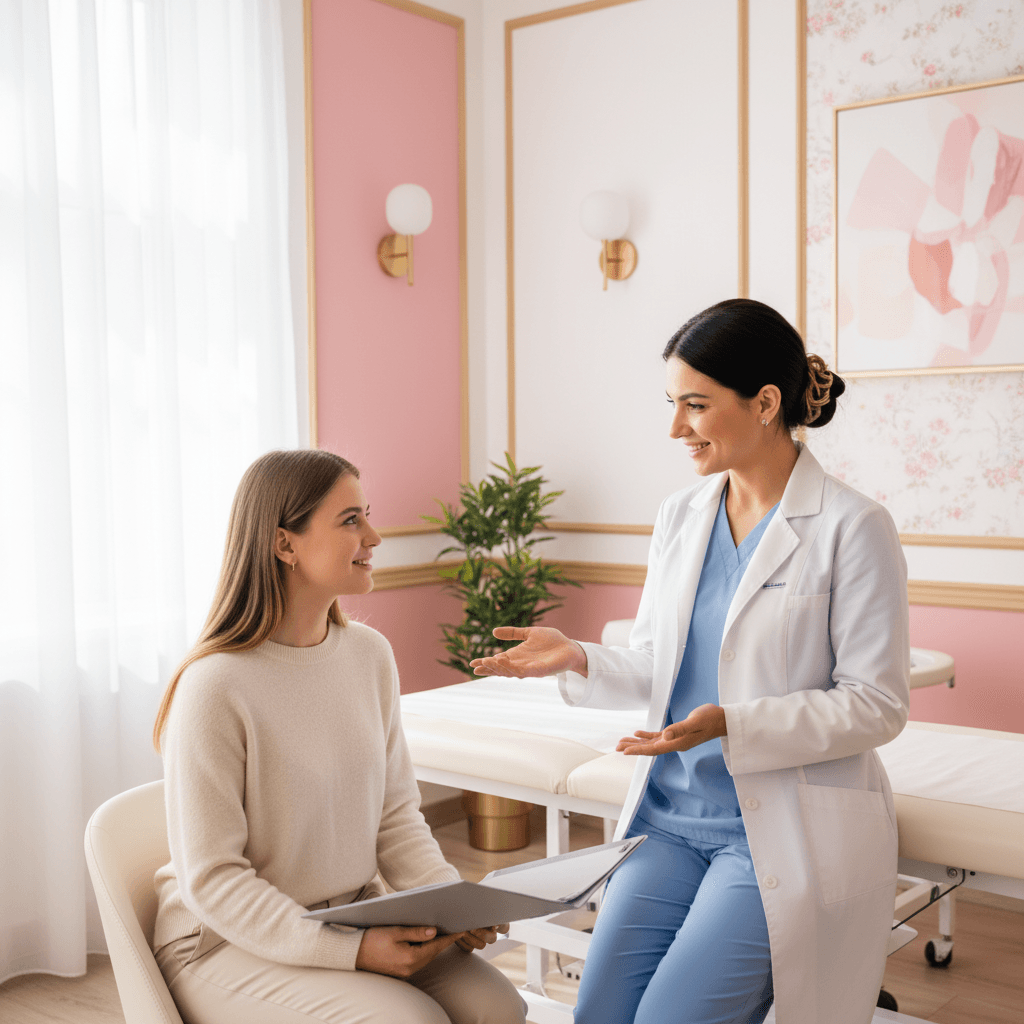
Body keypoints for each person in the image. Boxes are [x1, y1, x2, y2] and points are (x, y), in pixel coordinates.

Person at [470, 299, 910, 1024]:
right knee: (599, 1015)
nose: (676, 428)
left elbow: (876, 704)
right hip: (669, 820)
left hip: (778, 829)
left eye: (696, 406)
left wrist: (733, 724)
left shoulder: (853, 526)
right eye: (673, 404)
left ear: (765, 403)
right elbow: (659, 663)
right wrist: (578, 657)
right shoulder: (682, 515)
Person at [151, 449, 526, 1024]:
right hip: (220, 941)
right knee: (409, 1021)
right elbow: (215, 879)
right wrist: (350, 951)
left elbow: (395, 818)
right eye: (351, 520)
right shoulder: (214, 685)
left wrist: (452, 905)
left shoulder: (369, 655)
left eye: (367, 516)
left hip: (351, 916)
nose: (374, 537)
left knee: (498, 1008)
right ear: (285, 544)